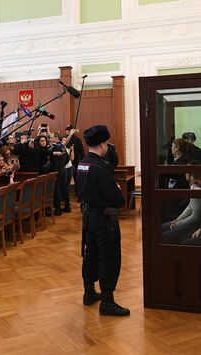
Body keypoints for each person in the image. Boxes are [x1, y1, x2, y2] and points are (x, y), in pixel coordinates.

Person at [77, 125, 129, 317]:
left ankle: (89, 292)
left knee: (90, 254)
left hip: (88, 217)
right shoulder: (102, 167)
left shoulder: (82, 163)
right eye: (107, 142)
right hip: (104, 218)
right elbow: (117, 198)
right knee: (109, 257)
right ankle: (107, 302)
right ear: (102, 143)